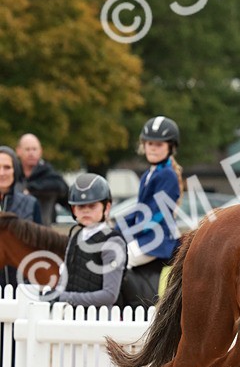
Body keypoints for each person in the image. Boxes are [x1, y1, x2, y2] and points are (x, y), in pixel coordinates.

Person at [117, 116, 182, 307]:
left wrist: (129, 232)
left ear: (170, 147)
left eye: (159, 144)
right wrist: (117, 225)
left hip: (157, 240)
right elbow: (140, 209)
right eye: (150, 143)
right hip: (146, 236)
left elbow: (156, 214)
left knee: (118, 259)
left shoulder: (168, 175)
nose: (153, 148)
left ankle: (139, 306)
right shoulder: (148, 174)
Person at [41, 174, 126, 308]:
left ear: (107, 207)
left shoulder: (113, 242)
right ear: (74, 210)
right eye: (80, 207)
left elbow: (109, 295)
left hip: (98, 320)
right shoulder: (75, 236)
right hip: (69, 316)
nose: (86, 211)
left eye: (92, 206)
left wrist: (62, 297)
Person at [0, 145, 42, 291]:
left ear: (15, 170)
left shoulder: (30, 204)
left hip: (23, 289)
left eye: (7, 167)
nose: (2, 173)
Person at [15, 133, 70, 225]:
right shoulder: (12, 174)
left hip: (44, 233)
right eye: (27, 149)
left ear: (40, 151)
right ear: (18, 151)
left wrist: (31, 189)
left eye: (34, 149)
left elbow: (63, 190)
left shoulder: (50, 175)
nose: (31, 153)